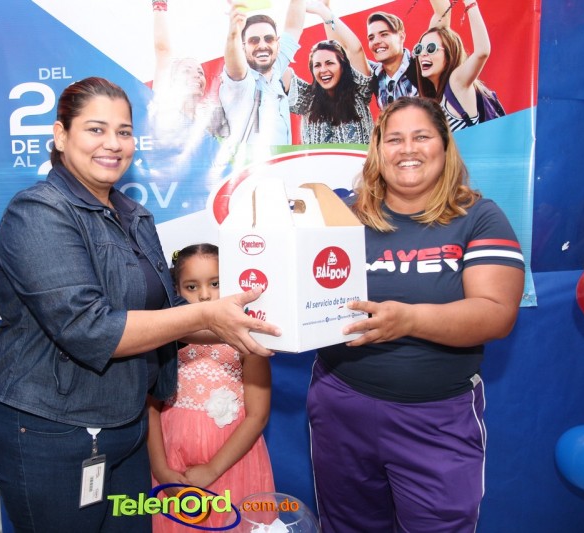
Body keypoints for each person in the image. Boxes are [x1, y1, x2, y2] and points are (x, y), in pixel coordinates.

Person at [0, 77, 279, 533]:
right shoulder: (37, 213)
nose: (113, 143)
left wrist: (257, 320)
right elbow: (90, 328)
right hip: (53, 433)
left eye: (123, 131)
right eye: (95, 129)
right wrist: (208, 314)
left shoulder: (135, 216)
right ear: (60, 136)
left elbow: (168, 314)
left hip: (126, 427)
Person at [308, 96, 525, 532]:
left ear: (444, 146)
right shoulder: (342, 216)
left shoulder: (479, 217)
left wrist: (409, 320)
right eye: (394, 139)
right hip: (342, 407)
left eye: (421, 137)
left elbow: (496, 313)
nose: (407, 149)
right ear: (377, 150)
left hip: (437, 418)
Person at [147, 243, 275, 532]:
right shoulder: (164, 339)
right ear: (176, 290)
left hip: (233, 464)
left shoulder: (248, 341)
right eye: (191, 287)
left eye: (215, 284)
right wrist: (161, 469)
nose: (205, 295)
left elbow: (258, 415)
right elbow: (150, 407)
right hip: (173, 466)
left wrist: (213, 469)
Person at [218, 0, 305, 148]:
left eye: (269, 39)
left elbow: (293, 27)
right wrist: (233, 34)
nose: (263, 45)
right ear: (243, 47)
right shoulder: (241, 84)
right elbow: (235, 67)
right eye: (254, 41)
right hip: (251, 163)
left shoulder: (276, 68)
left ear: (277, 44)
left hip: (284, 162)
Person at [287, 0, 374, 145]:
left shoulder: (359, 92)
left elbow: (355, 49)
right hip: (317, 161)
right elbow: (277, 67)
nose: (323, 70)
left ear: (342, 66)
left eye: (329, 63)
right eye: (317, 65)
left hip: (362, 161)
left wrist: (323, 11)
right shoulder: (308, 99)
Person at [149, 0, 229, 145]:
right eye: (187, 71)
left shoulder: (213, 119)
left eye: (200, 72)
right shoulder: (164, 111)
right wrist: (159, 6)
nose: (197, 75)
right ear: (172, 80)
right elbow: (163, 52)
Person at [414, 0, 495, 131]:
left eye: (431, 48)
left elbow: (482, 52)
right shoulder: (436, 99)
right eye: (418, 49)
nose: (423, 54)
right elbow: (443, 11)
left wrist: (470, 3)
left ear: (449, 55)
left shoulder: (456, 83)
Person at [362, 1, 452, 108]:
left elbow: (443, 12)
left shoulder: (420, 63)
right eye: (371, 38)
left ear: (401, 37)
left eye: (384, 34)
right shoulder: (372, 73)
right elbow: (351, 50)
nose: (376, 41)